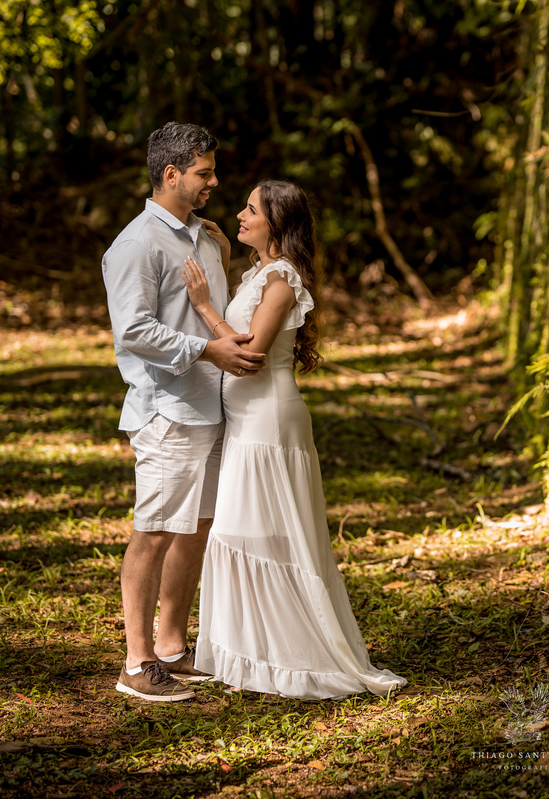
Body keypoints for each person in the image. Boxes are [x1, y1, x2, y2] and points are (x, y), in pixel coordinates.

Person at [181, 180, 406, 699]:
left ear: (277, 225)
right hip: (245, 422)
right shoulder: (260, 271)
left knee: (262, 533)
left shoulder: (283, 277)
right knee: (243, 533)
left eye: (251, 210)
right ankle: (253, 651)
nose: (239, 213)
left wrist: (203, 307)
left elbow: (251, 354)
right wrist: (217, 251)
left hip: (268, 422)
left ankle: (291, 655)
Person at [102, 122, 267, 702]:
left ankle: (172, 646)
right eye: (203, 173)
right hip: (166, 408)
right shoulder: (137, 244)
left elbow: (214, 309)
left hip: (213, 404)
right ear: (171, 174)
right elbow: (134, 331)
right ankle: (136, 661)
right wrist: (206, 349)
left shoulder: (206, 236)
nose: (214, 182)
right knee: (152, 531)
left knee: (194, 528)